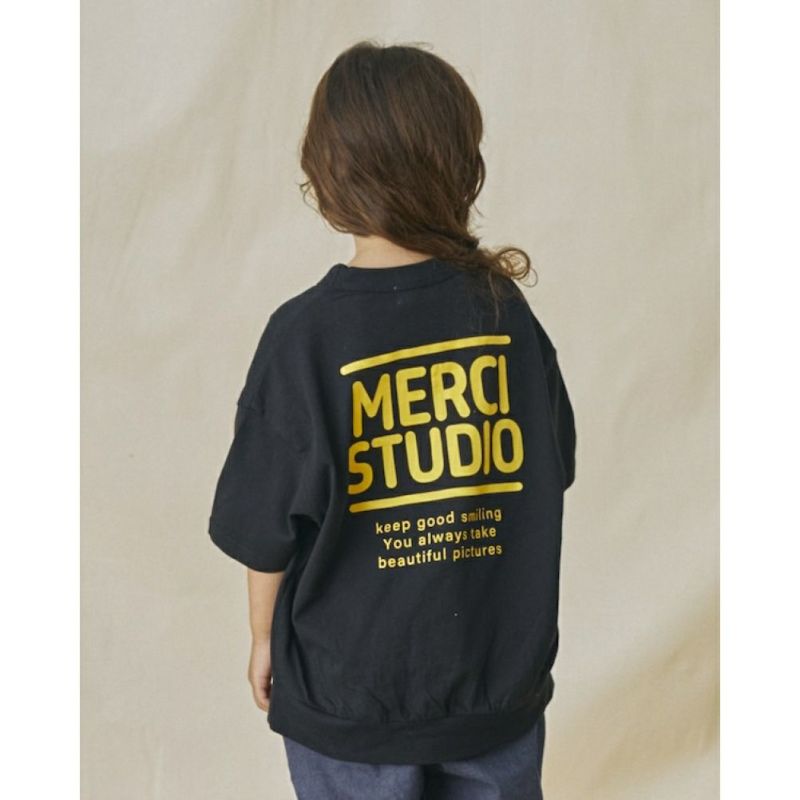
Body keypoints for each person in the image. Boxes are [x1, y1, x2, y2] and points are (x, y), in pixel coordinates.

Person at [208, 39, 576, 800]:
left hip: (348, 699)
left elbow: (265, 527)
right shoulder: (503, 314)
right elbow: (553, 466)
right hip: (492, 685)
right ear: (461, 166)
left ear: (327, 174)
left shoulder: (303, 337)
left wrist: (262, 638)